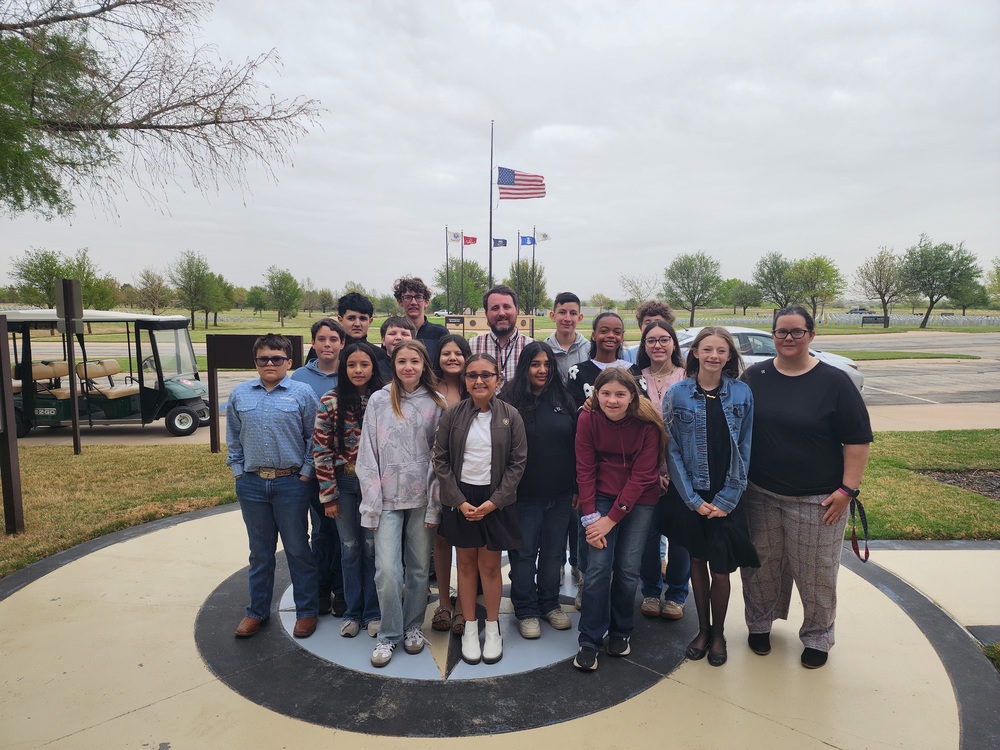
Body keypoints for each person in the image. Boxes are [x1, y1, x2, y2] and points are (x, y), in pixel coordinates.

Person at [740, 306, 872, 669]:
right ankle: (759, 624)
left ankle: (818, 635)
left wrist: (847, 490)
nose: (788, 339)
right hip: (761, 493)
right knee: (760, 566)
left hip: (817, 498)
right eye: (781, 332)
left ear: (812, 335)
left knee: (816, 571)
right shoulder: (756, 376)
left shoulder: (834, 382)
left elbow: (858, 441)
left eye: (797, 332)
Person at [662, 326, 758, 667]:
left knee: (721, 569)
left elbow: (745, 447)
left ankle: (719, 635)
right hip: (692, 495)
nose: (714, 356)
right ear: (696, 353)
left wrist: (728, 498)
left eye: (721, 350)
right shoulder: (677, 394)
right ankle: (702, 630)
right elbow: (671, 449)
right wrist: (691, 499)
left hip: (727, 494)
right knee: (697, 563)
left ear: (729, 356)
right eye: (707, 349)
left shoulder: (743, 394)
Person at [357, 340, 447, 668]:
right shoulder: (380, 401)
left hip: (422, 498)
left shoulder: (437, 403)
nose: (408, 367)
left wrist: (436, 503)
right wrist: (371, 502)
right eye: (402, 362)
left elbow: (441, 458)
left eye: (415, 361)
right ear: (393, 365)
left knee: (420, 568)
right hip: (386, 500)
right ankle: (389, 633)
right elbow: (367, 454)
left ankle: (412, 626)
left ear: (424, 365)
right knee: (387, 570)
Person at [433, 353, 527, 664]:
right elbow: (441, 460)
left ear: (499, 379)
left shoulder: (510, 416)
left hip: (495, 499)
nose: (479, 380)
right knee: (466, 565)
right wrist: (458, 500)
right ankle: (470, 627)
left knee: (489, 566)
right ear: (465, 380)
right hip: (461, 499)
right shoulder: (453, 414)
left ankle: (492, 626)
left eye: (486, 375)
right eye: (472, 375)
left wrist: (494, 502)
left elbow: (517, 464)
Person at [227, 334, 320, 639]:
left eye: (277, 358)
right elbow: (233, 435)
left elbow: (313, 437)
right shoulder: (240, 394)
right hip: (253, 484)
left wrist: (306, 473)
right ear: (255, 362)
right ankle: (256, 611)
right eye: (263, 359)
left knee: (297, 549)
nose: (270, 363)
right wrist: (238, 471)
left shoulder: (302, 393)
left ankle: (306, 610)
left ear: (288, 362)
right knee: (260, 553)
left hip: (291, 484)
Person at [573, 367, 667, 671]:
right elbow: (584, 469)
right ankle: (589, 638)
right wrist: (590, 517)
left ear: (632, 397)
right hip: (600, 495)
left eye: (620, 394)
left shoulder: (647, 425)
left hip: (640, 500)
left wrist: (610, 520)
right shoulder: (587, 418)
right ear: (596, 395)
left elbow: (642, 477)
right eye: (606, 394)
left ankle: (621, 629)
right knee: (598, 568)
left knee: (627, 568)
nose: (612, 400)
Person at [501, 342, 577, 639]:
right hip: (523, 496)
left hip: (560, 494)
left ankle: (550, 604)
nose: (542, 370)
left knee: (553, 554)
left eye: (547, 364)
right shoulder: (509, 399)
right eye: (535, 364)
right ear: (525, 367)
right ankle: (526, 609)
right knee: (523, 555)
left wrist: (577, 487)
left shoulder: (563, 397)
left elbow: (576, 446)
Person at [313, 341, 386, 639]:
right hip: (343, 482)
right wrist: (328, 495)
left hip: (375, 486)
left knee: (372, 549)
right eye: (352, 365)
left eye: (364, 365)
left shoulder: (383, 399)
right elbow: (321, 449)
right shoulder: (330, 401)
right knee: (350, 548)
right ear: (344, 368)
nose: (358, 370)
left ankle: (373, 612)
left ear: (374, 368)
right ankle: (353, 611)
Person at [632, 321, 691, 622]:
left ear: (673, 343)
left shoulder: (688, 378)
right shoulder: (633, 379)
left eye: (664, 339)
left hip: (684, 473)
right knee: (648, 534)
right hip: (645, 472)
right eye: (651, 340)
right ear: (643, 346)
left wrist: (674, 472)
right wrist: (653, 472)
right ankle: (652, 591)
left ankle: (677, 593)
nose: (657, 345)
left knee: (681, 536)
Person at [292, 318, 346, 617]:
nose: (328, 344)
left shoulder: (350, 373)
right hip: (316, 468)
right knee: (322, 531)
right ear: (313, 343)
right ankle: (321, 588)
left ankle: (342, 589)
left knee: (344, 534)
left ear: (342, 343)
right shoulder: (300, 377)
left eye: (333, 339)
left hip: (346, 468)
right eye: (322, 339)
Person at [429, 333, 473, 635]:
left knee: (467, 543)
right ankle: (444, 602)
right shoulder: (428, 390)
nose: (453, 358)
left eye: (458, 352)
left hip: (471, 476)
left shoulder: (476, 387)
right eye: (446, 353)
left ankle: (463, 605)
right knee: (441, 540)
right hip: (435, 476)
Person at [469, 284, 533, 391]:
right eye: (495, 308)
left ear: (516, 310)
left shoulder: (532, 347)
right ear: (486, 313)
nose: (502, 313)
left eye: (506, 307)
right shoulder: (470, 347)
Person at [566, 312, 635, 410]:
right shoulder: (578, 372)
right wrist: (585, 406)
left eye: (617, 332)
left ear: (622, 337)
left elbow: (642, 408)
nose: (611, 335)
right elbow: (573, 410)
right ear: (594, 335)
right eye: (604, 331)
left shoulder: (633, 371)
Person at [393, 276, 449, 362]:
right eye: (408, 297)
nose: (413, 303)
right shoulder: (394, 333)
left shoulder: (440, 333)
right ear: (400, 301)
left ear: (426, 302)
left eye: (418, 297)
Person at [544, 292, 589, 384]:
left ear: (580, 318)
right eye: (562, 312)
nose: (567, 319)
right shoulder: (544, 349)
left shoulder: (589, 350)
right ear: (553, 316)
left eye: (573, 313)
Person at [338, 291, 389, 371]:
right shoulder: (331, 352)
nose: (357, 324)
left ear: (370, 321)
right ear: (340, 320)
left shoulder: (379, 355)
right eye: (351, 318)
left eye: (363, 318)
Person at [377, 315, 416, 382]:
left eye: (404, 334)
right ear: (383, 340)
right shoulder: (376, 369)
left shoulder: (420, 368)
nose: (398, 337)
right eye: (392, 333)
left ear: (413, 340)